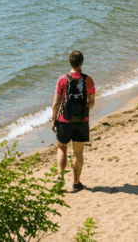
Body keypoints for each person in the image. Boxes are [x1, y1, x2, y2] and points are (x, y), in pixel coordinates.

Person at [51, 50, 96, 192]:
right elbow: (92, 101)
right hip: (82, 121)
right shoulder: (88, 80)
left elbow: (56, 103)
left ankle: (59, 174)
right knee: (78, 152)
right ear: (82, 62)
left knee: (61, 147)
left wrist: (54, 118)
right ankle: (76, 183)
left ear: (69, 62)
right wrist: (84, 113)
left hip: (64, 119)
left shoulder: (62, 79)